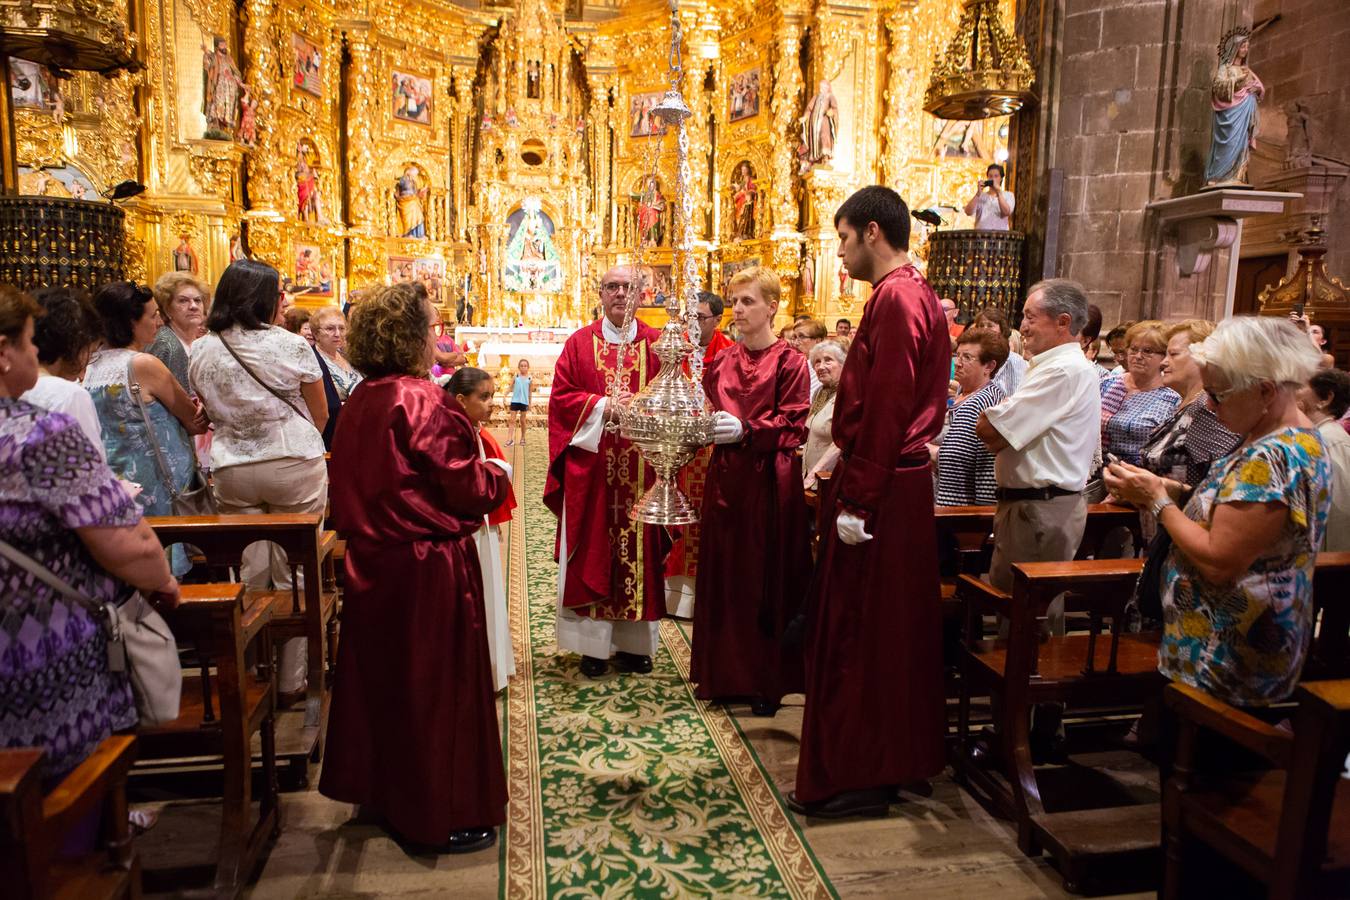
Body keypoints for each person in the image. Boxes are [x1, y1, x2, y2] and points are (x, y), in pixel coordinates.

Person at [320, 284, 511, 852]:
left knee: (385, 682)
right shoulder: (421, 399)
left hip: (372, 562)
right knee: (434, 688)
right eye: (430, 326)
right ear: (407, 334)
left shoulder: (362, 396)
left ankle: (384, 793)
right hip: (425, 565)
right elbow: (466, 484)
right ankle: (436, 813)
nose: (437, 334)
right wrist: (497, 473)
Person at [789, 186, 950, 818]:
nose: (840, 252)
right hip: (898, 483)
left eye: (844, 238)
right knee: (890, 630)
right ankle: (895, 756)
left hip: (880, 487)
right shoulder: (913, 294)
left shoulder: (896, 298)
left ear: (874, 233)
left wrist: (857, 499)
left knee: (858, 631)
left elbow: (885, 407)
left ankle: (856, 772)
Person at [0, 285, 181, 786]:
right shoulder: (38, 434)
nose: (37, 353)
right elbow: (126, 541)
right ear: (3, 352)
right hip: (34, 647)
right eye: (29, 341)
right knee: (62, 792)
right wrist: (161, 579)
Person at [1105, 317, 1330, 706]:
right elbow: (1237, 513)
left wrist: (1157, 501)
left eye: (1218, 394)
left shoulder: (1272, 455)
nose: (1209, 404)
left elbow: (1218, 560)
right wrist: (1177, 491)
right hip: (1217, 642)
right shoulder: (1288, 437)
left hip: (1227, 650)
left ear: (1264, 390)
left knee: (1210, 761)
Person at [190, 260, 329, 697]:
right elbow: (320, 411)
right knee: (297, 569)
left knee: (250, 568)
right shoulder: (289, 345)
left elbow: (207, 410)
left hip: (231, 464)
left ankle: (254, 673)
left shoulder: (201, 348)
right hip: (292, 460)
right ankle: (292, 680)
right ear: (265, 300)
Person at [691, 266, 811, 716]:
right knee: (726, 571)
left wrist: (746, 428)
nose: (737, 311)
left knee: (763, 576)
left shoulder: (790, 362)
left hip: (768, 479)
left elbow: (794, 423)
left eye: (747, 302)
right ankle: (723, 673)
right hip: (726, 477)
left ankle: (765, 678)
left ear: (772, 306)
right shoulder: (720, 360)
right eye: (734, 302)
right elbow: (707, 409)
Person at [545, 265, 667, 678]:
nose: (620, 293)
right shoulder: (579, 344)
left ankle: (635, 646)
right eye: (611, 286)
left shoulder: (659, 345)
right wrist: (602, 406)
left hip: (642, 470)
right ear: (600, 292)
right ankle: (593, 648)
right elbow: (561, 399)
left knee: (640, 552)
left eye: (628, 286)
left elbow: (676, 397)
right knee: (594, 548)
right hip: (592, 471)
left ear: (643, 293)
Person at [974, 279, 1101, 600]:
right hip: (1032, 505)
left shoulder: (1063, 371)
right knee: (1019, 609)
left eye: (1031, 317)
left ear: (1063, 322)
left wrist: (996, 414)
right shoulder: (1050, 367)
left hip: (1040, 508)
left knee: (1030, 616)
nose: (1023, 326)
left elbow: (991, 431)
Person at [85, 282, 208, 575]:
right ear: (130, 322)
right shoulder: (143, 364)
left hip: (116, 478)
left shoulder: (89, 365)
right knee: (163, 562)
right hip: (155, 479)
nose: (159, 322)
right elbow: (192, 420)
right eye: (152, 316)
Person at [665, 291, 735, 618]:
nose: (692, 325)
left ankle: (704, 597)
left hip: (712, 453)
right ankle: (672, 596)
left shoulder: (731, 354)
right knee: (674, 518)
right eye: (689, 318)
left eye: (701, 319)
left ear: (718, 320)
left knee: (707, 522)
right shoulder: (675, 349)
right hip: (676, 451)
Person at [446, 366, 516, 692]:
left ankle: (490, 669)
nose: (492, 403)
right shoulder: (455, 434)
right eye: (483, 397)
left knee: (488, 591)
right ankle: (477, 674)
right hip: (466, 529)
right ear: (460, 400)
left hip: (480, 526)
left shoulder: (475, 431)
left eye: (492, 396)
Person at [1138, 319, 1240, 491]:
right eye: (1165, 354)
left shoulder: (1207, 409)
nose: (1163, 362)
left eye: (1173, 354)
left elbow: (1222, 483)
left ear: (1202, 357)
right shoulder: (1185, 403)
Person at [21, 285, 105, 457]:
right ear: (75, 343)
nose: (88, 361)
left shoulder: (13, 384)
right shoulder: (68, 395)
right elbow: (89, 473)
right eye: (91, 351)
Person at [935, 329, 1009, 506]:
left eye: (966, 358)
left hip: (960, 512)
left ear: (989, 366)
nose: (957, 364)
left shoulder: (983, 401)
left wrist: (917, 448)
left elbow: (957, 459)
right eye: (957, 355)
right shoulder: (963, 394)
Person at [1100, 320, 1180, 465]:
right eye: (1133, 349)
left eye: (1148, 351)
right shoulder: (1107, 384)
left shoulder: (1172, 400)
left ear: (1164, 357)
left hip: (1137, 476)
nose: (1138, 356)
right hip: (1093, 474)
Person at [1297, 367, 1350, 551]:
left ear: (1325, 399)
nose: (1292, 393)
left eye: (1300, 385)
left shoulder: (1329, 442)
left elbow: (1339, 513)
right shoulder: (1318, 437)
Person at [146, 273, 208, 393]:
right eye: (183, 301)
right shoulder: (164, 344)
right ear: (166, 309)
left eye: (197, 300)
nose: (193, 306)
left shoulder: (199, 341)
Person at [803, 340, 847, 488]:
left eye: (828, 360)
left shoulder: (848, 395)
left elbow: (840, 443)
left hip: (829, 479)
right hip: (809, 476)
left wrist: (814, 473)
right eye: (817, 362)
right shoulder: (819, 392)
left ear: (843, 363)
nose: (820, 367)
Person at [969, 306, 1026, 396]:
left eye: (990, 325)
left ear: (1002, 330)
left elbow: (1017, 395)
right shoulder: (973, 358)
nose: (985, 329)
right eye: (981, 326)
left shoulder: (1014, 360)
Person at [311, 307, 362, 401]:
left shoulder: (347, 354)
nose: (337, 334)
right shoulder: (312, 360)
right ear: (316, 334)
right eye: (330, 329)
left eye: (342, 328)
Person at [963, 163, 1015, 231]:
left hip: (1001, 237)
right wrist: (978, 194)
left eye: (996, 176)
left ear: (1001, 178)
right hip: (981, 236)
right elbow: (968, 212)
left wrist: (998, 192)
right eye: (990, 176)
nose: (993, 179)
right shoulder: (980, 196)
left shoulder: (1008, 195)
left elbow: (1006, 212)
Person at [793, 319, 828, 399]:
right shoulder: (796, 363)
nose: (796, 342)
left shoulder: (824, 366)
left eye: (801, 337)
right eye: (794, 337)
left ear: (818, 341)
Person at [506, 358, 532, 446]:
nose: (523, 367)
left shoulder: (529, 378)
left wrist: (530, 403)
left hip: (524, 402)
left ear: (528, 367)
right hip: (515, 401)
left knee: (523, 421)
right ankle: (510, 439)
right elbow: (510, 387)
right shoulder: (516, 376)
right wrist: (505, 396)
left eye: (525, 366)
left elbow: (530, 392)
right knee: (512, 420)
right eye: (521, 366)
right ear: (519, 367)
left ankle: (523, 438)